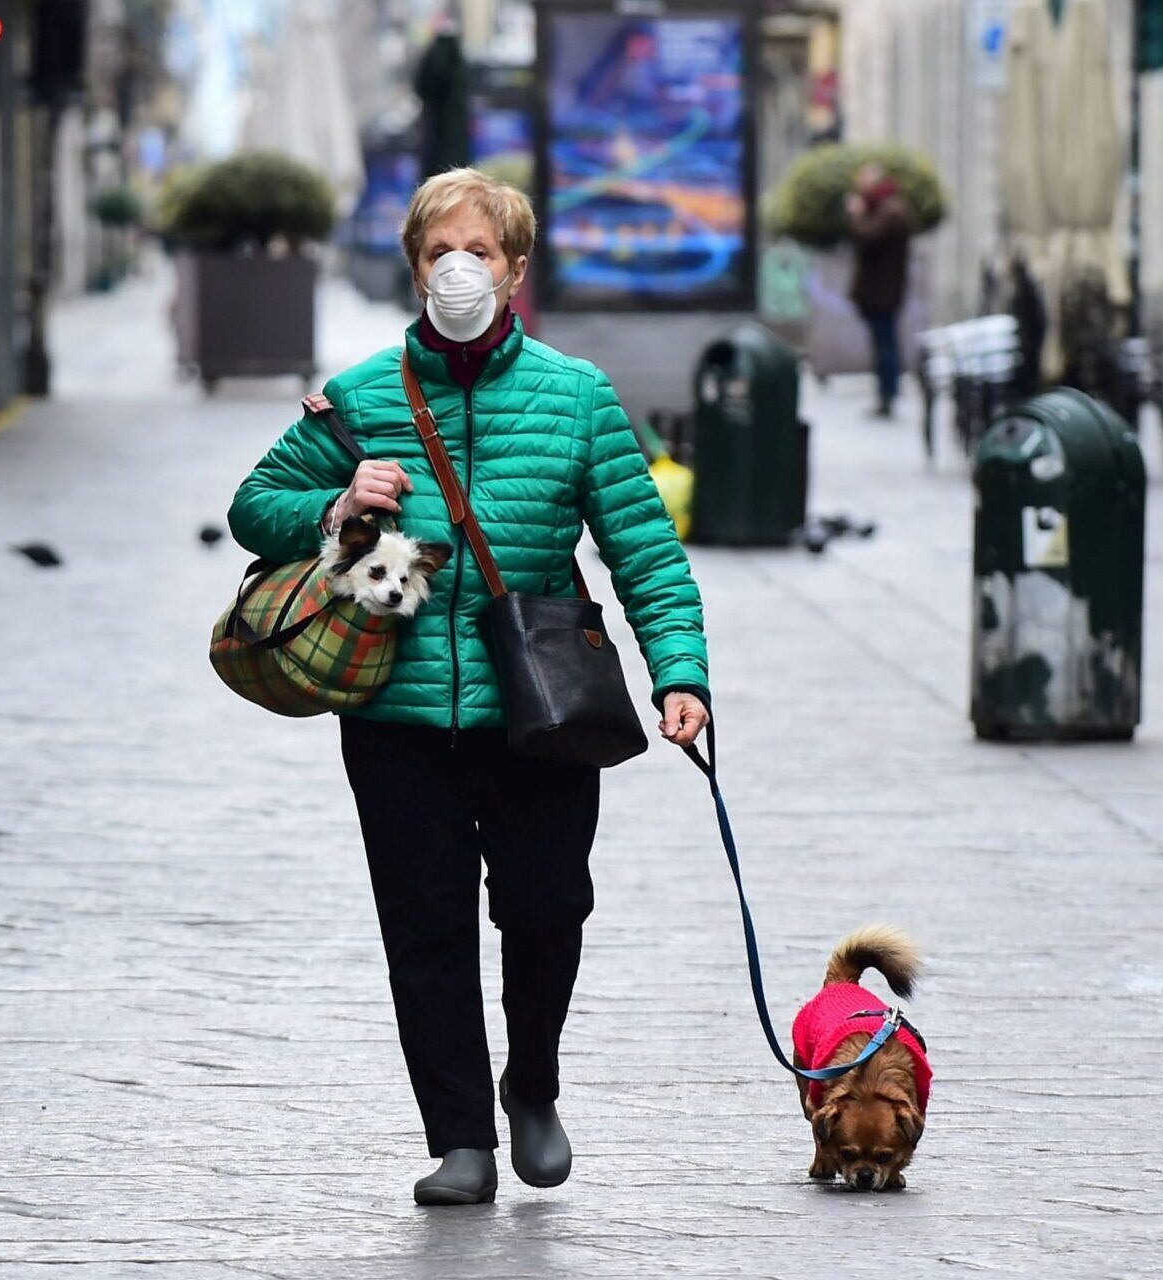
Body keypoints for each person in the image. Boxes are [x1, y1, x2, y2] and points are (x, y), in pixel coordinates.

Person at [229, 169, 711, 1207]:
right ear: (414, 266)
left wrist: (679, 671)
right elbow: (252, 505)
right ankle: (460, 1139)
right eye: (440, 250)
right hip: (396, 716)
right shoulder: (357, 396)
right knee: (427, 926)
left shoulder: (575, 395)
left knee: (547, 906)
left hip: (540, 710)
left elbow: (645, 550)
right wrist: (335, 499)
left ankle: (529, 1081)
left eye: (479, 250)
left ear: (515, 267)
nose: (459, 268)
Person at [845, 163, 913, 418]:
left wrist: (856, 214)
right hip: (880, 291)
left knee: (885, 343)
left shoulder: (889, 211)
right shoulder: (885, 208)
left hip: (883, 292)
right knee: (883, 341)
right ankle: (886, 392)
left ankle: (888, 393)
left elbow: (868, 237)